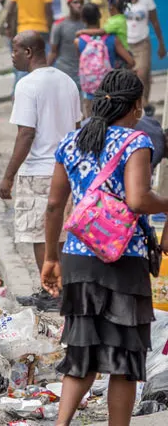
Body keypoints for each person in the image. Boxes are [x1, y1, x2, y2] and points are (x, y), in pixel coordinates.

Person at [41, 69, 168, 426]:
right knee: (124, 362)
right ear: (137, 105)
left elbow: (53, 205)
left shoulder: (71, 141)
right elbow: (139, 199)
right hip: (122, 260)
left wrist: (51, 256)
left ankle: (62, 423)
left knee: (82, 353)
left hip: (78, 258)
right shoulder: (135, 142)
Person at [0, 31, 81, 311]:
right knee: (61, 235)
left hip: (39, 170)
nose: (12, 55)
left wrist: (8, 176)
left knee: (39, 234)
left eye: (15, 50)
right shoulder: (68, 82)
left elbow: (26, 134)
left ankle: (51, 292)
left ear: (29, 52)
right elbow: (77, 128)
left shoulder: (27, 85)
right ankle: (62, 289)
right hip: (67, 169)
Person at [5, 0, 54, 85]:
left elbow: (9, 10)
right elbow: (48, 12)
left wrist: (9, 27)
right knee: (42, 66)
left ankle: (18, 96)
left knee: (22, 66)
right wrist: (50, 28)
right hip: (41, 31)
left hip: (23, 31)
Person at [122, 0, 166, 101]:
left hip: (142, 44)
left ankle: (143, 107)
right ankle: (137, 105)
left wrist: (161, 45)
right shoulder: (122, 1)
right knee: (130, 78)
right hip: (126, 45)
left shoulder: (147, 0)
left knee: (142, 74)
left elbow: (155, 22)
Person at [76, 4, 134, 99]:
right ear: (100, 15)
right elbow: (131, 62)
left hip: (90, 94)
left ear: (83, 19)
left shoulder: (78, 41)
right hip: (111, 92)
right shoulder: (112, 38)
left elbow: (81, 64)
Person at [49, 0, 87, 86]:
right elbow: (53, 52)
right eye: (75, 2)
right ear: (69, 4)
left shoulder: (87, 24)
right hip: (65, 71)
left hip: (85, 72)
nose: (79, 5)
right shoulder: (59, 25)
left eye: (81, 3)